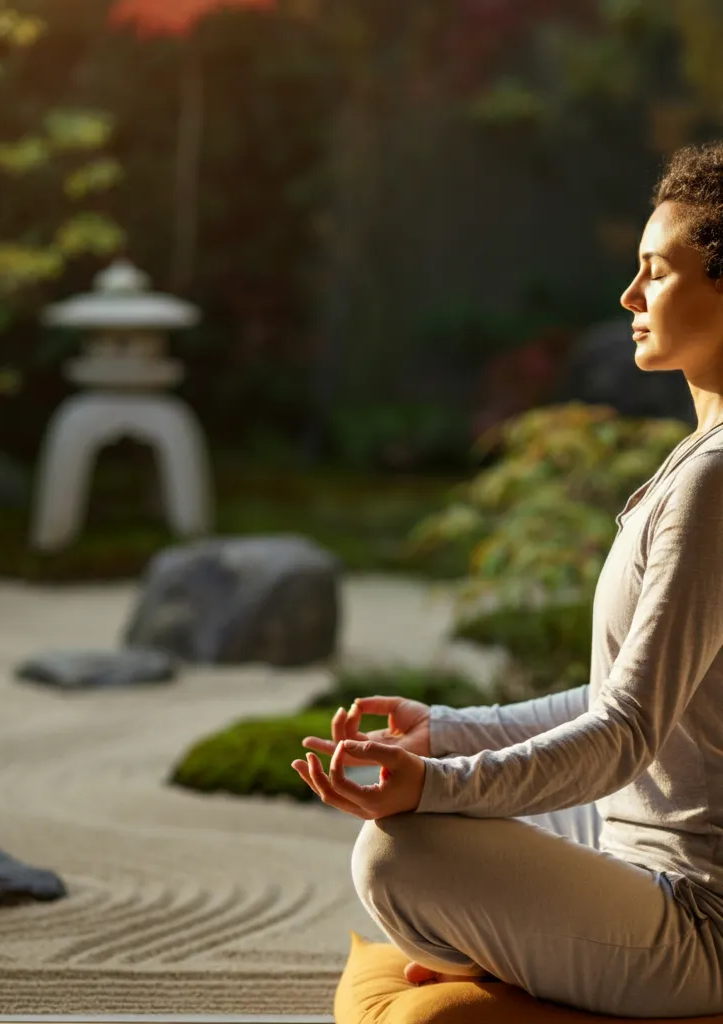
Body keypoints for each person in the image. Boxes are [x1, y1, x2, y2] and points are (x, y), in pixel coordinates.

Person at [292, 140, 723, 1019]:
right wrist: (445, 733)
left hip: (698, 917)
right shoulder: (699, 463)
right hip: (625, 838)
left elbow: (623, 732)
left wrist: (437, 786)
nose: (629, 298)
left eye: (654, 272)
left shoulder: (718, 483)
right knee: (437, 833)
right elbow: (621, 697)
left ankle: (511, 966)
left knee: (399, 858)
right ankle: (512, 957)